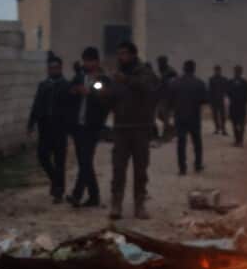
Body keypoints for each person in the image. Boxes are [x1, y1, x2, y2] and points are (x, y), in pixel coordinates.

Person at [103, 42, 159, 219]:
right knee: (118, 168)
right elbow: (111, 99)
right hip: (121, 128)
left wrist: (126, 80)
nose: (121, 57)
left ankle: (139, 204)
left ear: (133, 55)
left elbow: (149, 89)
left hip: (140, 129)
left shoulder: (145, 73)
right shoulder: (117, 76)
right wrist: (103, 93)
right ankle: (116, 204)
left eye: (124, 54)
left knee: (140, 169)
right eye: (119, 54)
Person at [67, 47, 110, 208]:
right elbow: (69, 92)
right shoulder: (79, 77)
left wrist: (89, 93)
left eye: (90, 60)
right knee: (84, 162)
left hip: (92, 126)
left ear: (97, 61)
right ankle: (94, 196)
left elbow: (105, 100)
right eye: (85, 60)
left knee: (85, 161)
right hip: (78, 125)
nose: (87, 63)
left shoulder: (102, 79)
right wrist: (73, 91)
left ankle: (77, 195)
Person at [28, 55, 74, 203]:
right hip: (45, 127)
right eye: (50, 68)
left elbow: (70, 108)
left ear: (60, 68)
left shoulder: (66, 86)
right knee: (42, 156)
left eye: (55, 68)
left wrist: (69, 127)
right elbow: (36, 105)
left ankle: (58, 192)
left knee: (60, 160)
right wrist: (31, 123)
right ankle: (55, 180)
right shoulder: (43, 85)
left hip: (60, 129)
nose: (53, 70)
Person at [168, 60, 209, 175]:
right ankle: (198, 165)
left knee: (181, 143)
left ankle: (182, 168)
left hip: (180, 116)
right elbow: (205, 100)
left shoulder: (175, 82)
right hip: (194, 116)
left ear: (183, 68)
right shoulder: (200, 83)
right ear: (194, 69)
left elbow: (170, 99)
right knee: (197, 142)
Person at [226, 65, 247, 146]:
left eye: (237, 71)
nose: (237, 72)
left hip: (236, 106)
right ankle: (239, 140)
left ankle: (238, 140)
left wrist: (238, 100)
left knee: (238, 123)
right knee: (238, 123)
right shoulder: (244, 82)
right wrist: (244, 101)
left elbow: (228, 93)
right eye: (237, 71)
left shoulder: (233, 82)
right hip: (239, 106)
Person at [155, 55, 178, 140]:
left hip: (168, 98)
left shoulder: (170, 72)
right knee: (160, 116)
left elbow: (173, 84)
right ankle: (172, 130)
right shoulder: (162, 71)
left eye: (160, 62)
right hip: (162, 97)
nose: (159, 64)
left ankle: (167, 134)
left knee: (165, 116)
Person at [208, 65, 229, 136]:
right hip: (214, 100)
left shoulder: (224, 79)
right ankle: (217, 128)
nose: (217, 71)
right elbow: (210, 91)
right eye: (216, 70)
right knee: (215, 115)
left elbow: (227, 90)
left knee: (223, 115)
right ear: (215, 71)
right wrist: (210, 101)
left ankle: (223, 129)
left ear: (220, 71)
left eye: (218, 70)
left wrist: (226, 98)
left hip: (221, 100)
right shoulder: (211, 79)